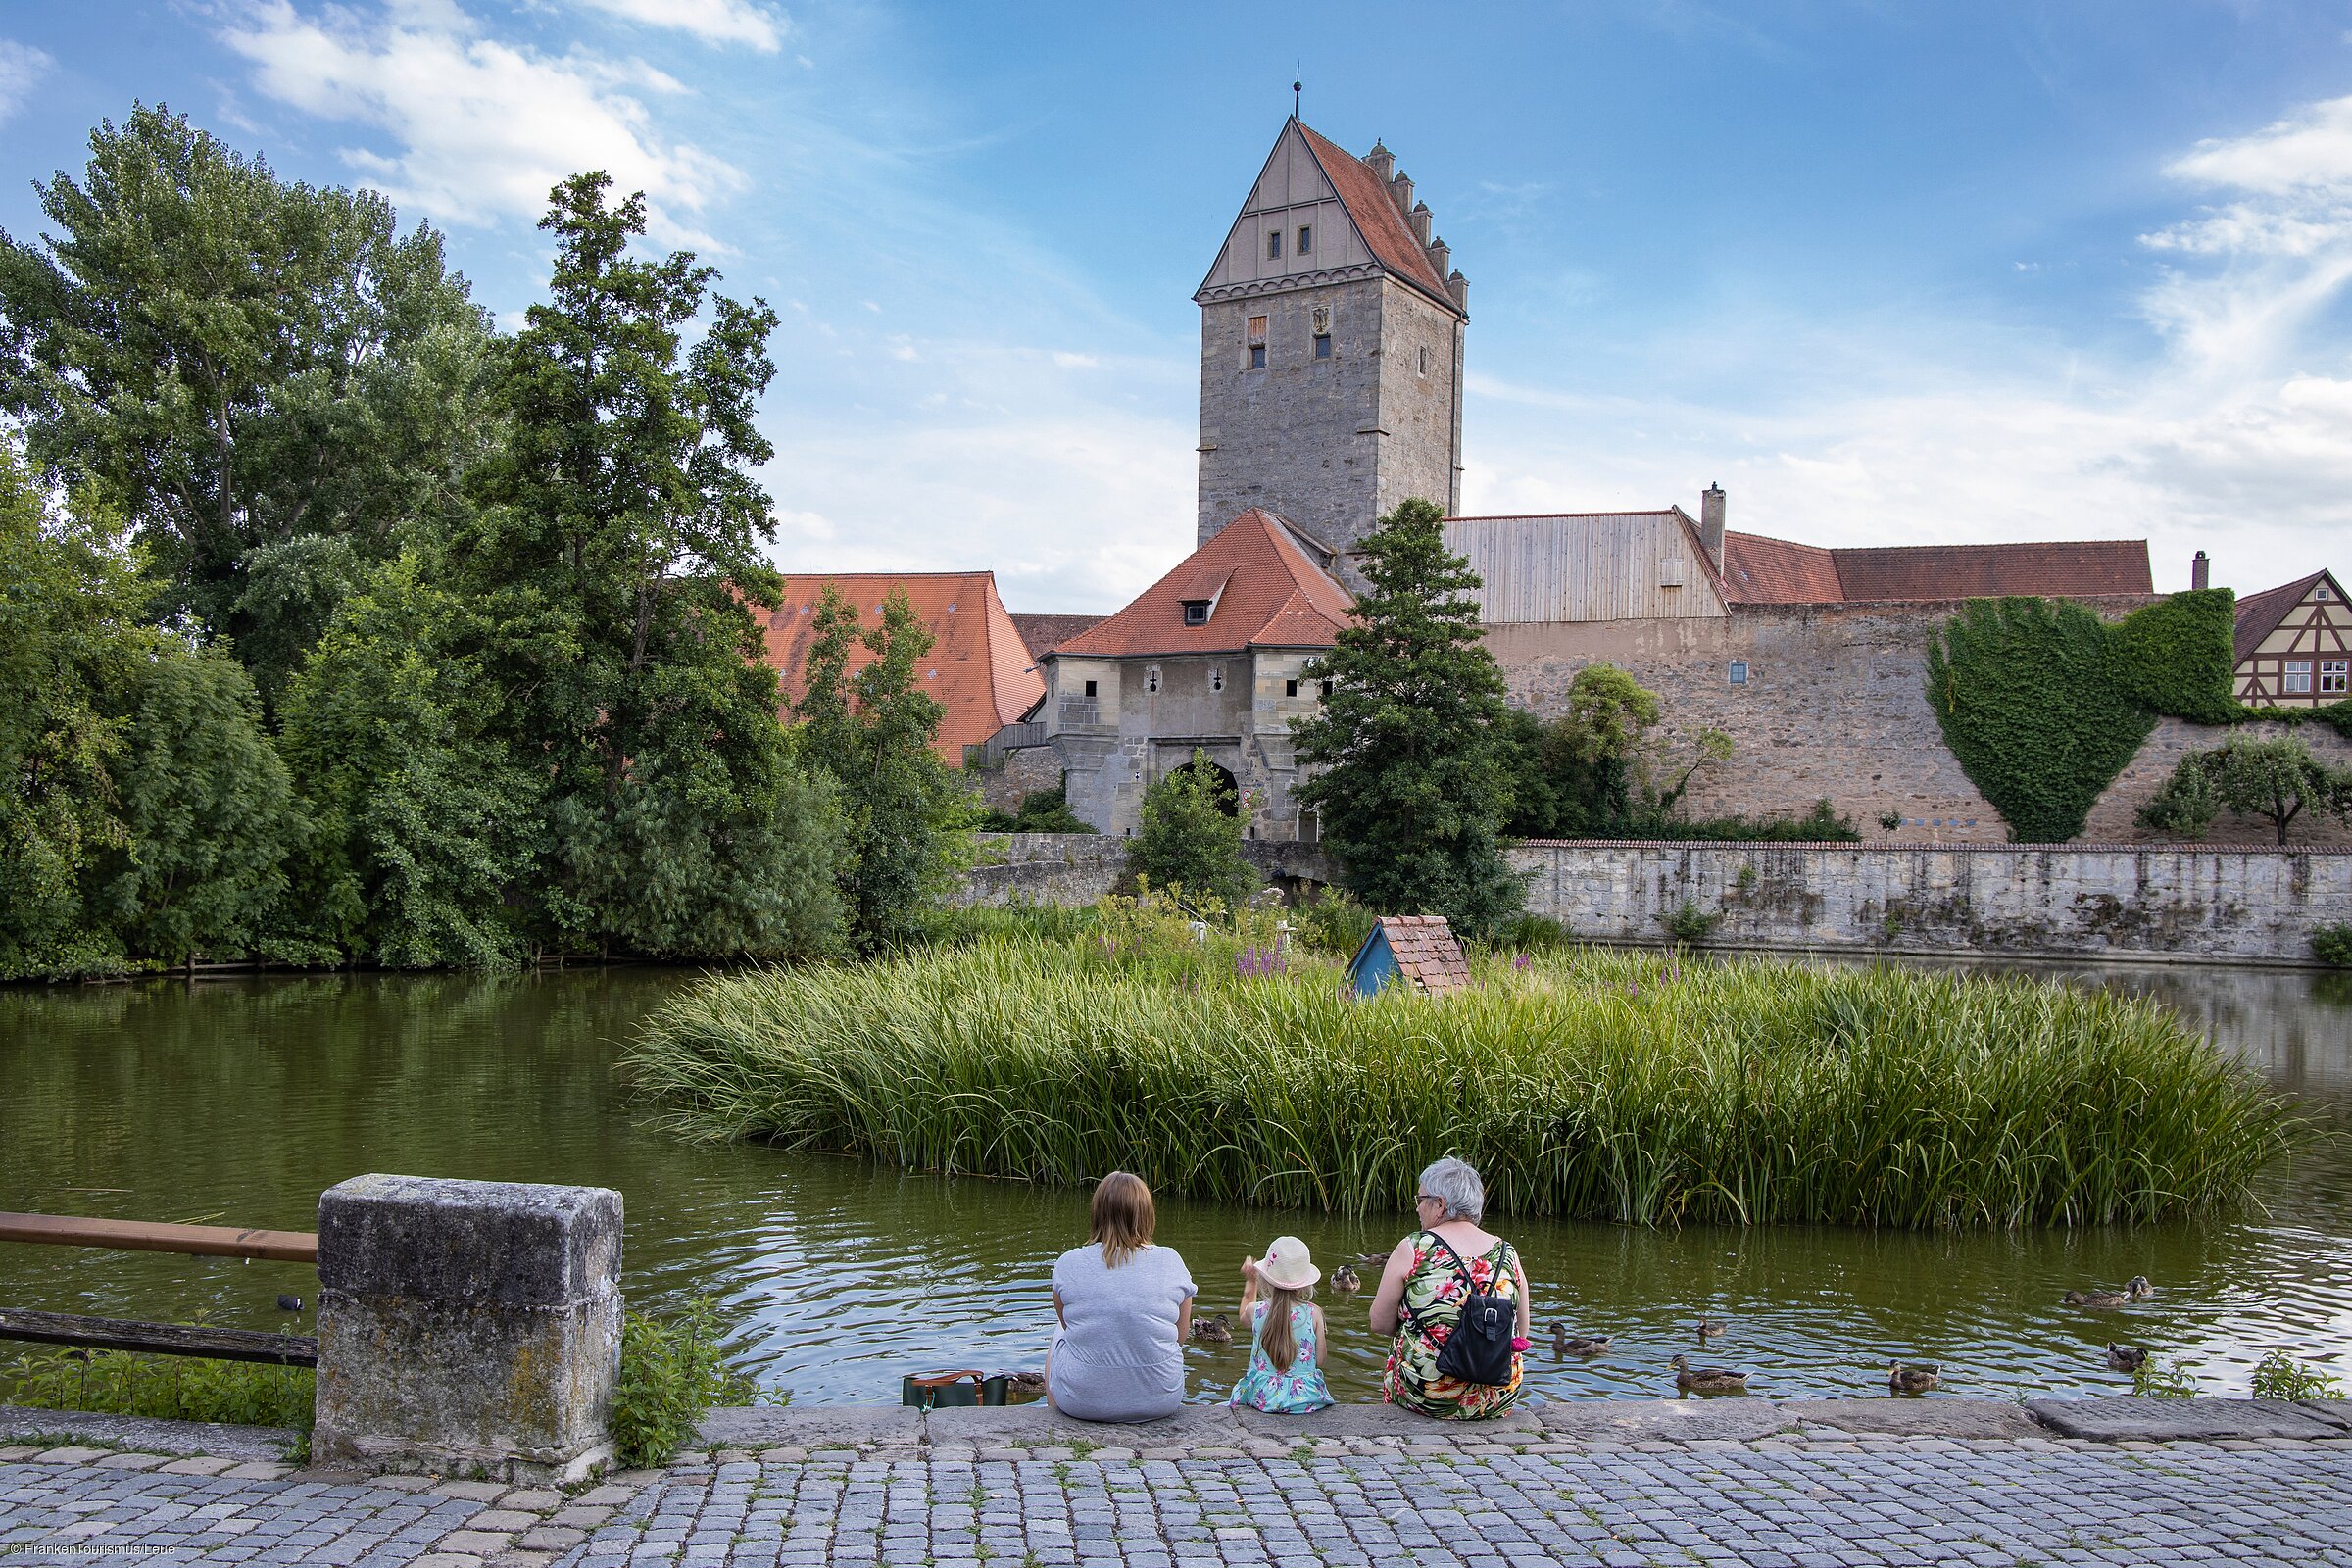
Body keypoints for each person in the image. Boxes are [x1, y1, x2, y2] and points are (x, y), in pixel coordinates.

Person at [1367, 1156, 1532, 1419]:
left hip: (1428, 1394)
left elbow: (1379, 1323)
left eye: (1420, 1200)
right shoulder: (1507, 1253)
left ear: (1439, 1204)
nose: (1418, 1208)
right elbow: (1521, 1330)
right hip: (1496, 1394)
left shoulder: (1416, 1248)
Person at [1046, 1171, 1198, 1421]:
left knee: (1059, 1332)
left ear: (1097, 1213)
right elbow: (1179, 1338)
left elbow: (1067, 1325)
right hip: (1162, 1399)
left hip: (1082, 1403)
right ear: (1147, 1215)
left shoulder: (1068, 1263)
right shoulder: (1172, 1260)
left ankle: (1055, 1416)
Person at [1226, 1236, 1335, 1414]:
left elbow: (1243, 1317)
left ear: (1266, 1279)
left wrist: (1251, 1280)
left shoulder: (1256, 1311)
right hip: (1306, 1398)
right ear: (1304, 1285)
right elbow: (1320, 1360)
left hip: (1262, 1397)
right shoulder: (1314, 1313)